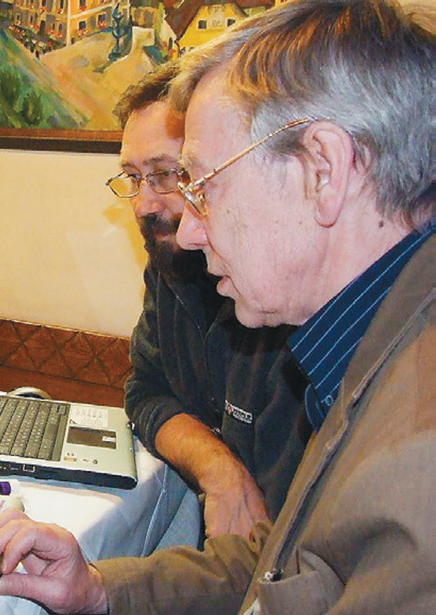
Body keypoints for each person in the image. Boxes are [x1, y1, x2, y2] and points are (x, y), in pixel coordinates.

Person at [0, 1, 436, 615]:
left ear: (324, 170)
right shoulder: (365, 351)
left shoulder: (415, 457)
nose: (188, 231)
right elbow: (283, 573)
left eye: (200, 182)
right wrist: (96, 589)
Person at [110, 66, 310, 546]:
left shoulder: (282, 299)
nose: (142, 204)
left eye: (167, 175)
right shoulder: (170, 267)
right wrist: (219, 468)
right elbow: (145, 392)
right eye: (133, 177)